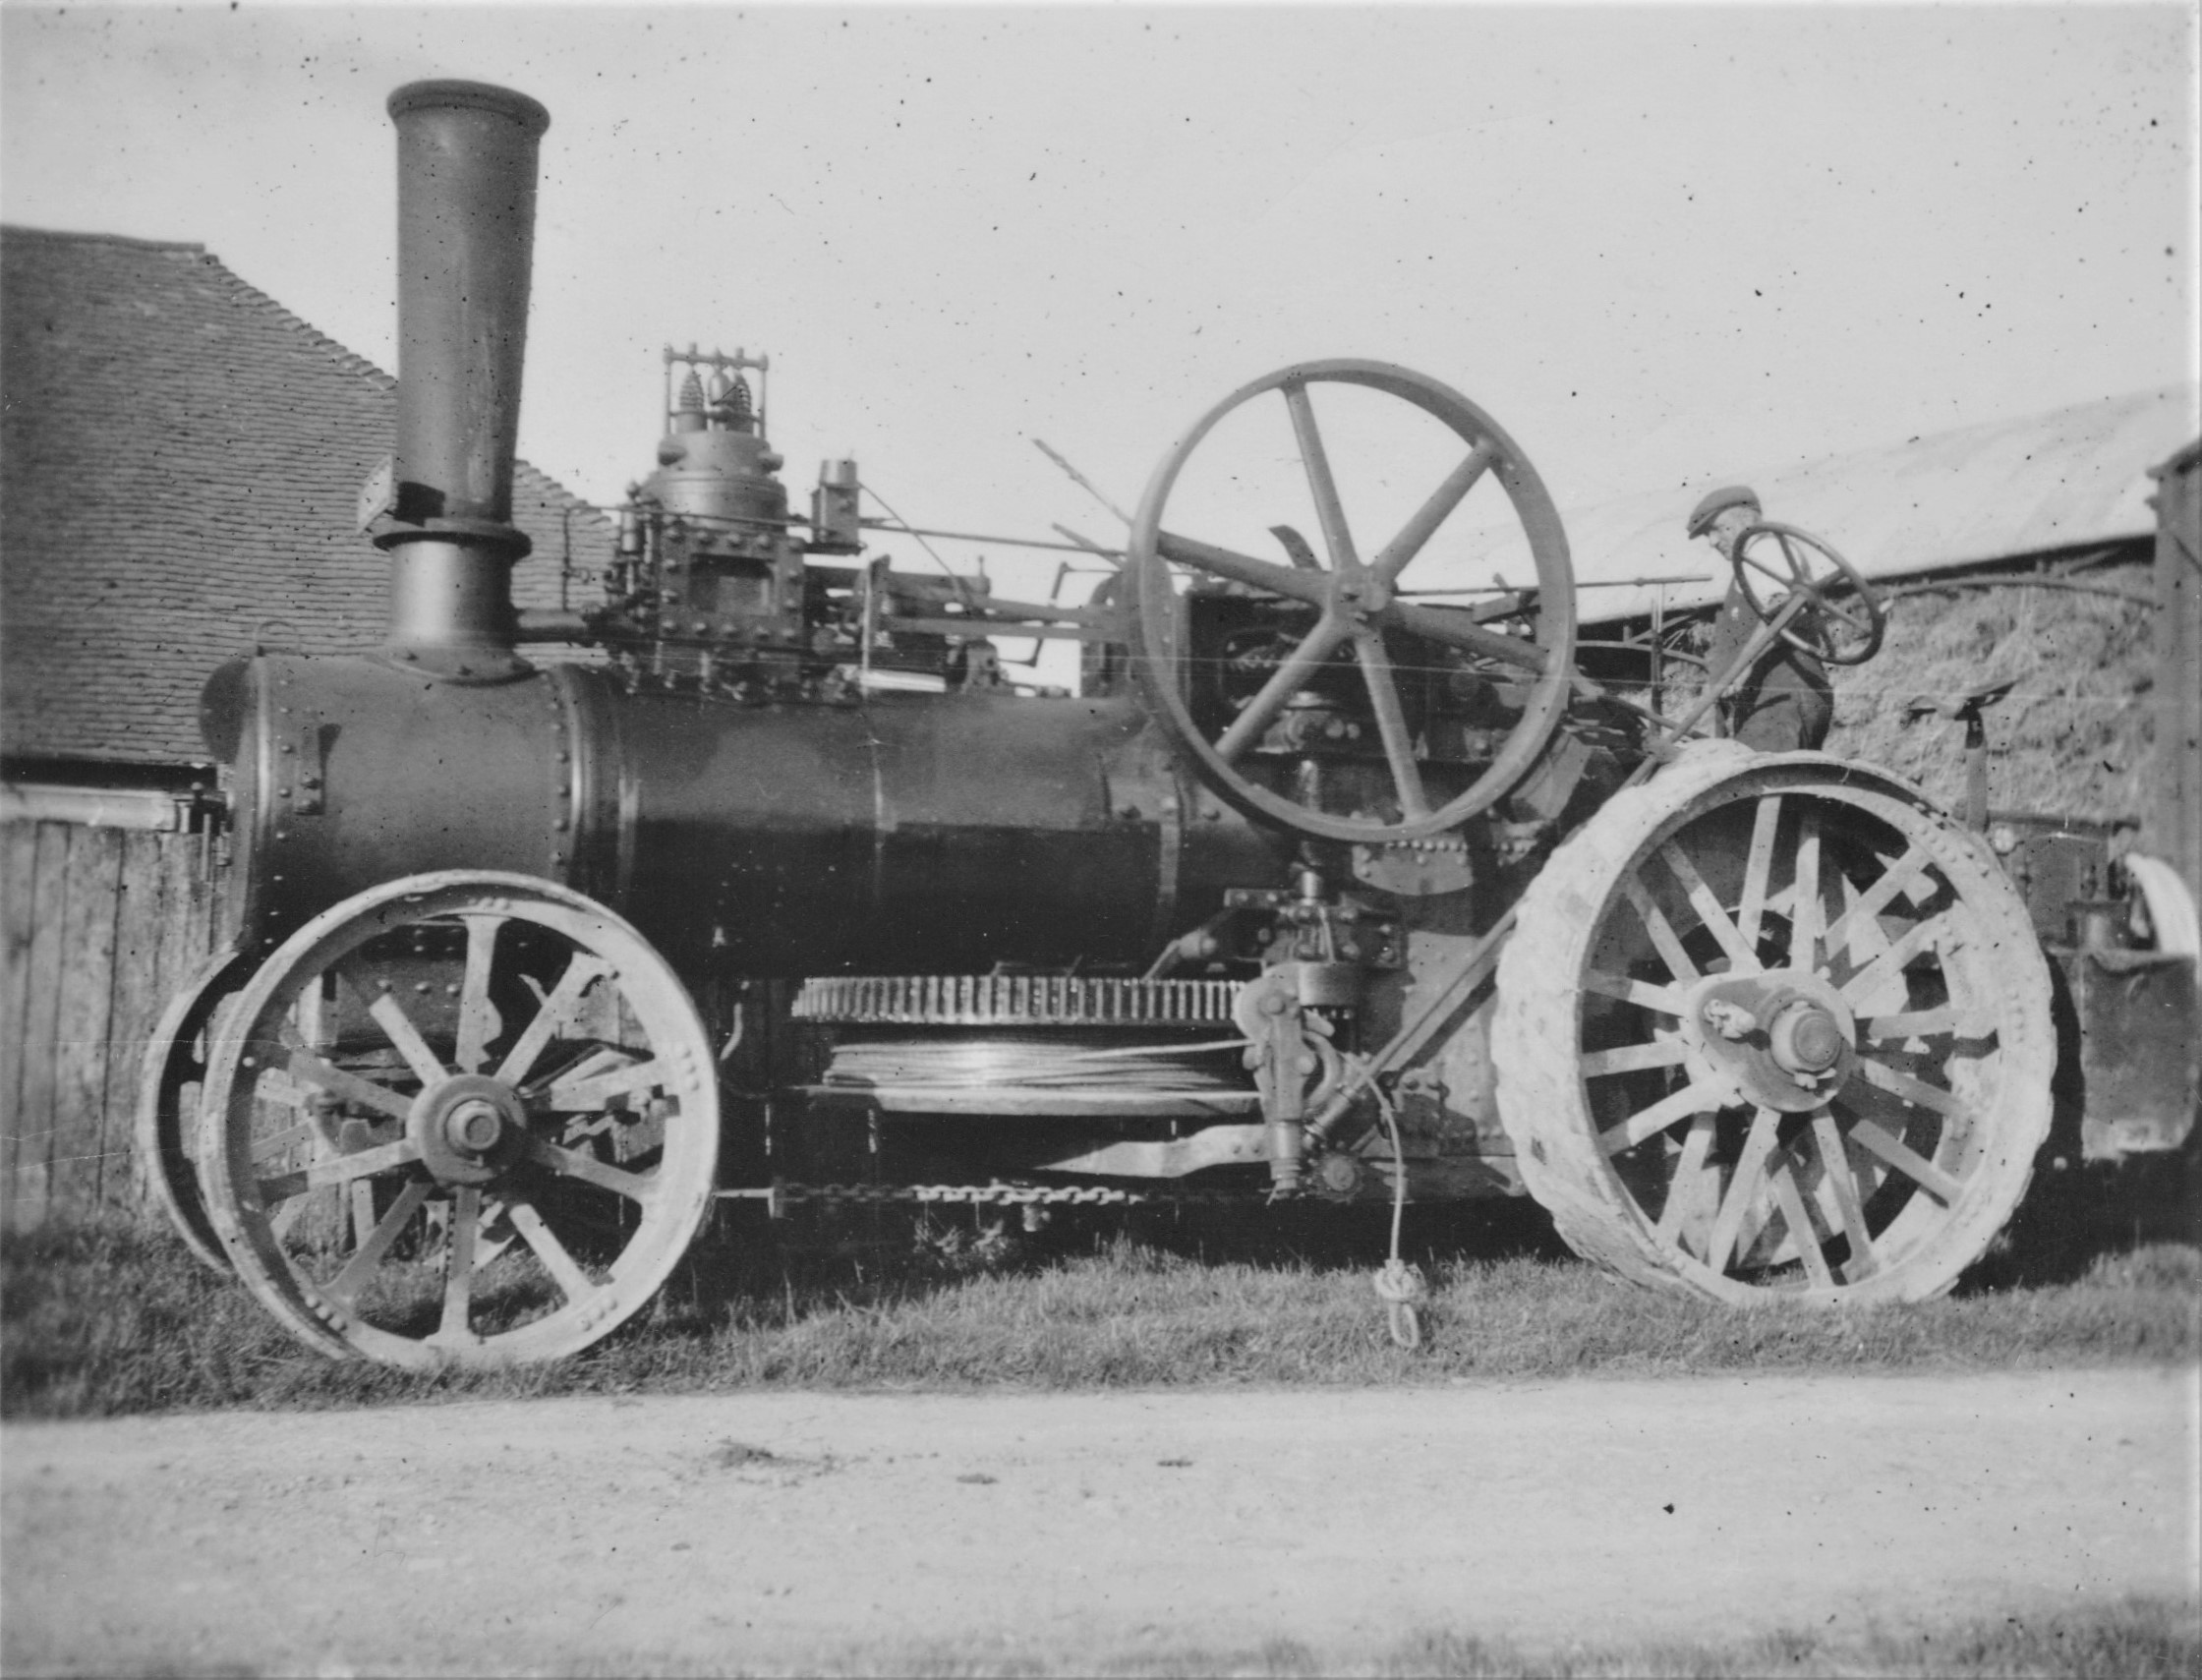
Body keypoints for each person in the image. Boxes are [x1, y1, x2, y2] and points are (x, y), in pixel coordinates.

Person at [1685, 485, 1833, 752]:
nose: (1712, 542)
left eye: (1717, 529)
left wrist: (1738, 670)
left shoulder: (1764, 551)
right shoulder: (1750, 562)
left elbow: (1783, 609)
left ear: (1745, 519)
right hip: (1769, 700)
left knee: (1761, 788)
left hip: (1782, 697)